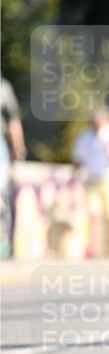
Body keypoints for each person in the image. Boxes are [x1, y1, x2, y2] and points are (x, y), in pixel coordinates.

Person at [72, 107, 109, 256]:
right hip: (92, 179)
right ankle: (95, 249)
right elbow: (78, 158)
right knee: (94, 215)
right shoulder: (86, 135)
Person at [1, 76, 27, 256]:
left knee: (2, 194)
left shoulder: (3, 88)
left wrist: (18, 146)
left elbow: (12, 120)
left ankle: (4, 241)